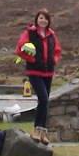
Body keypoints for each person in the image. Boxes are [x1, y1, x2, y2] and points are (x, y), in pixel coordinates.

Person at [15, 9, 62, 144]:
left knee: (45, 102)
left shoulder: (52, 35)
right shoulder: (29, 33)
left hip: (48, 72)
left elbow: (57, 50)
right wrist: (32, 60)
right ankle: (36, 129)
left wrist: (54, 60)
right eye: (41, 18)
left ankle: (43, 133)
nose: (43, 20)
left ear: (48, 21)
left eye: (46, 18)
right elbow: (19, 49)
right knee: (43, 98)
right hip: (35, 72)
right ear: (37, 19)